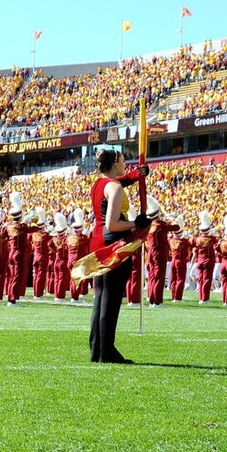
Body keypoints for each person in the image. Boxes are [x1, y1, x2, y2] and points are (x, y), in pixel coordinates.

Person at [88, 150, 148, 364]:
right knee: (111, 298)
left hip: (97, 241)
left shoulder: (98, 184)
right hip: (112, 242)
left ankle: (97, 348)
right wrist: (136, 224)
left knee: (101, 296)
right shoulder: (113, 188)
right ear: (115, 163)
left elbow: (119, 181)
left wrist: (135, 175)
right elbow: (113, 223)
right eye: (123, 162)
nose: (125, 166)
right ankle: (107, 350)